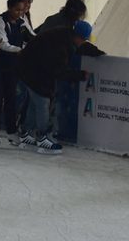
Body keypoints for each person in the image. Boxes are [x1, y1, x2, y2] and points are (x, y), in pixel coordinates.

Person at [16, 20, 103, 154]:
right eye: (83, 39)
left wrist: (97, 52)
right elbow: (58, 70)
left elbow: (81, 47)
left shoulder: (66, 36)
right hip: (32, 70)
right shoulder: (60, 45)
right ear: (78, 36)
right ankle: (42, 137)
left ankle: (26, 133)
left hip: (29, 67)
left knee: (35, 103)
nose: (83, 41)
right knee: (42, 102)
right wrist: (79, 75)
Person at [0, 0, 29, 147]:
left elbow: (31, 36)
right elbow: (3, 44)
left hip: (12, 67)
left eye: (22, 10)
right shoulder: (0, 22)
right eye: (17, 10)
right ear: (10, 8)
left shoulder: (21, 22)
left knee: (11, 99)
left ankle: (11, 132)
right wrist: (20, 50)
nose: (20, 13)